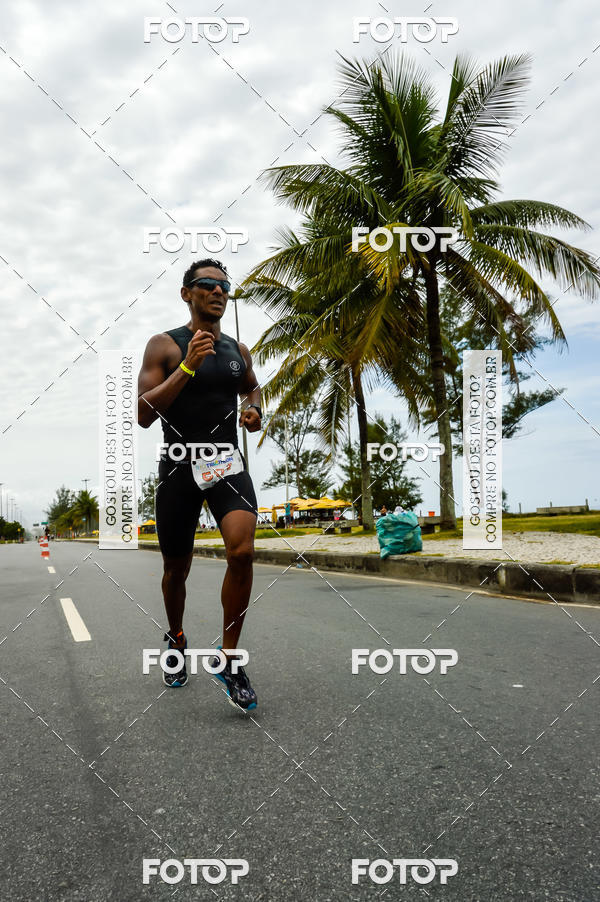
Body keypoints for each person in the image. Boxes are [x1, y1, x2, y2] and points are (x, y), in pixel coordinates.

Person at [137, 258, 261, 709]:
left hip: (225, 462)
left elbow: (252, 387)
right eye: (207, 284)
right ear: (187, 292)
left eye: (224, 286)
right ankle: (176, 637)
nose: (218, 291)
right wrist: (187, 367)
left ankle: (229, 658)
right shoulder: (164, 346)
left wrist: (254, 409)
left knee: (242, 550)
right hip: (177, 465)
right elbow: (144, 413)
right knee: (176, 570)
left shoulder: (236, 350)